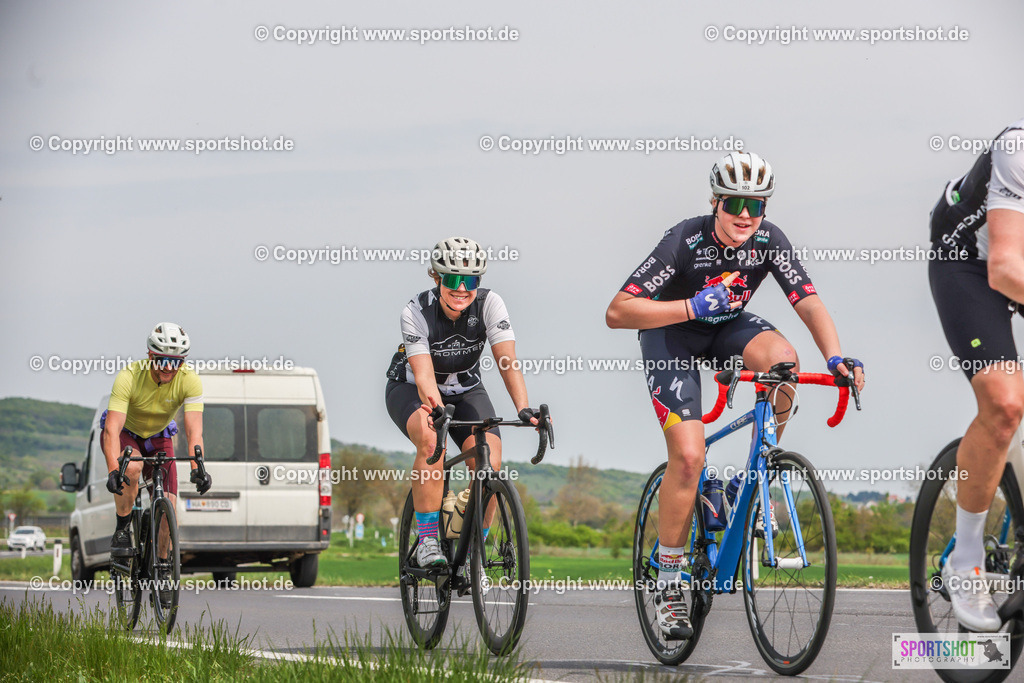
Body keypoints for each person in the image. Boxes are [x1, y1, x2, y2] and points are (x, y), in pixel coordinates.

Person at [606, 152, 865, 640]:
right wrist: (690, 306)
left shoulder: (769, 239)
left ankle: (755, 476)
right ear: (715, 202)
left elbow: (808, 301)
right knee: (688, 457)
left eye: (756, 205)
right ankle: (669, 581)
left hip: (726, 328)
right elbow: (618, 312)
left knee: (784, 361)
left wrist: (835, 357)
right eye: (734, 203)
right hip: (672, 334)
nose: (745, 214)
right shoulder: (685, 238)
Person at [385, 236, 538, 568]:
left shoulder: (490, 303)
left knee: (489, 464)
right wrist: (437, 410)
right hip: (411, 389)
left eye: (471, 280)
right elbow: (424, 376)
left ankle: (473, 552)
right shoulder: (416, 311)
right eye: (453, 280)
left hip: (466, 389)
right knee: (431, 441)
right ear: (437, 277)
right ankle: (428, 541)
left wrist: (523, 407)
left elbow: (507, 361)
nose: (462, 289)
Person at [929, 119, 1024, 631]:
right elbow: (1005, 268)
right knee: (1004, 403)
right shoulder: (1018, 147)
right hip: (970, 261)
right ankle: (965, 561)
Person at [104, 323, 212, 562]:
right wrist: (113, 469)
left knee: (169, 505)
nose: (168, 368)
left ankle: (162, 565)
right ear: (150, 356)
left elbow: (194, 432)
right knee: (132, 468)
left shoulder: (190, 380)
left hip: (159, 436)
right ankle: (122, 528)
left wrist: (198, 469)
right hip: (127, 433)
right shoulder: (129, 376)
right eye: (162, 360)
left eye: (176, 362)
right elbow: (112, 429)